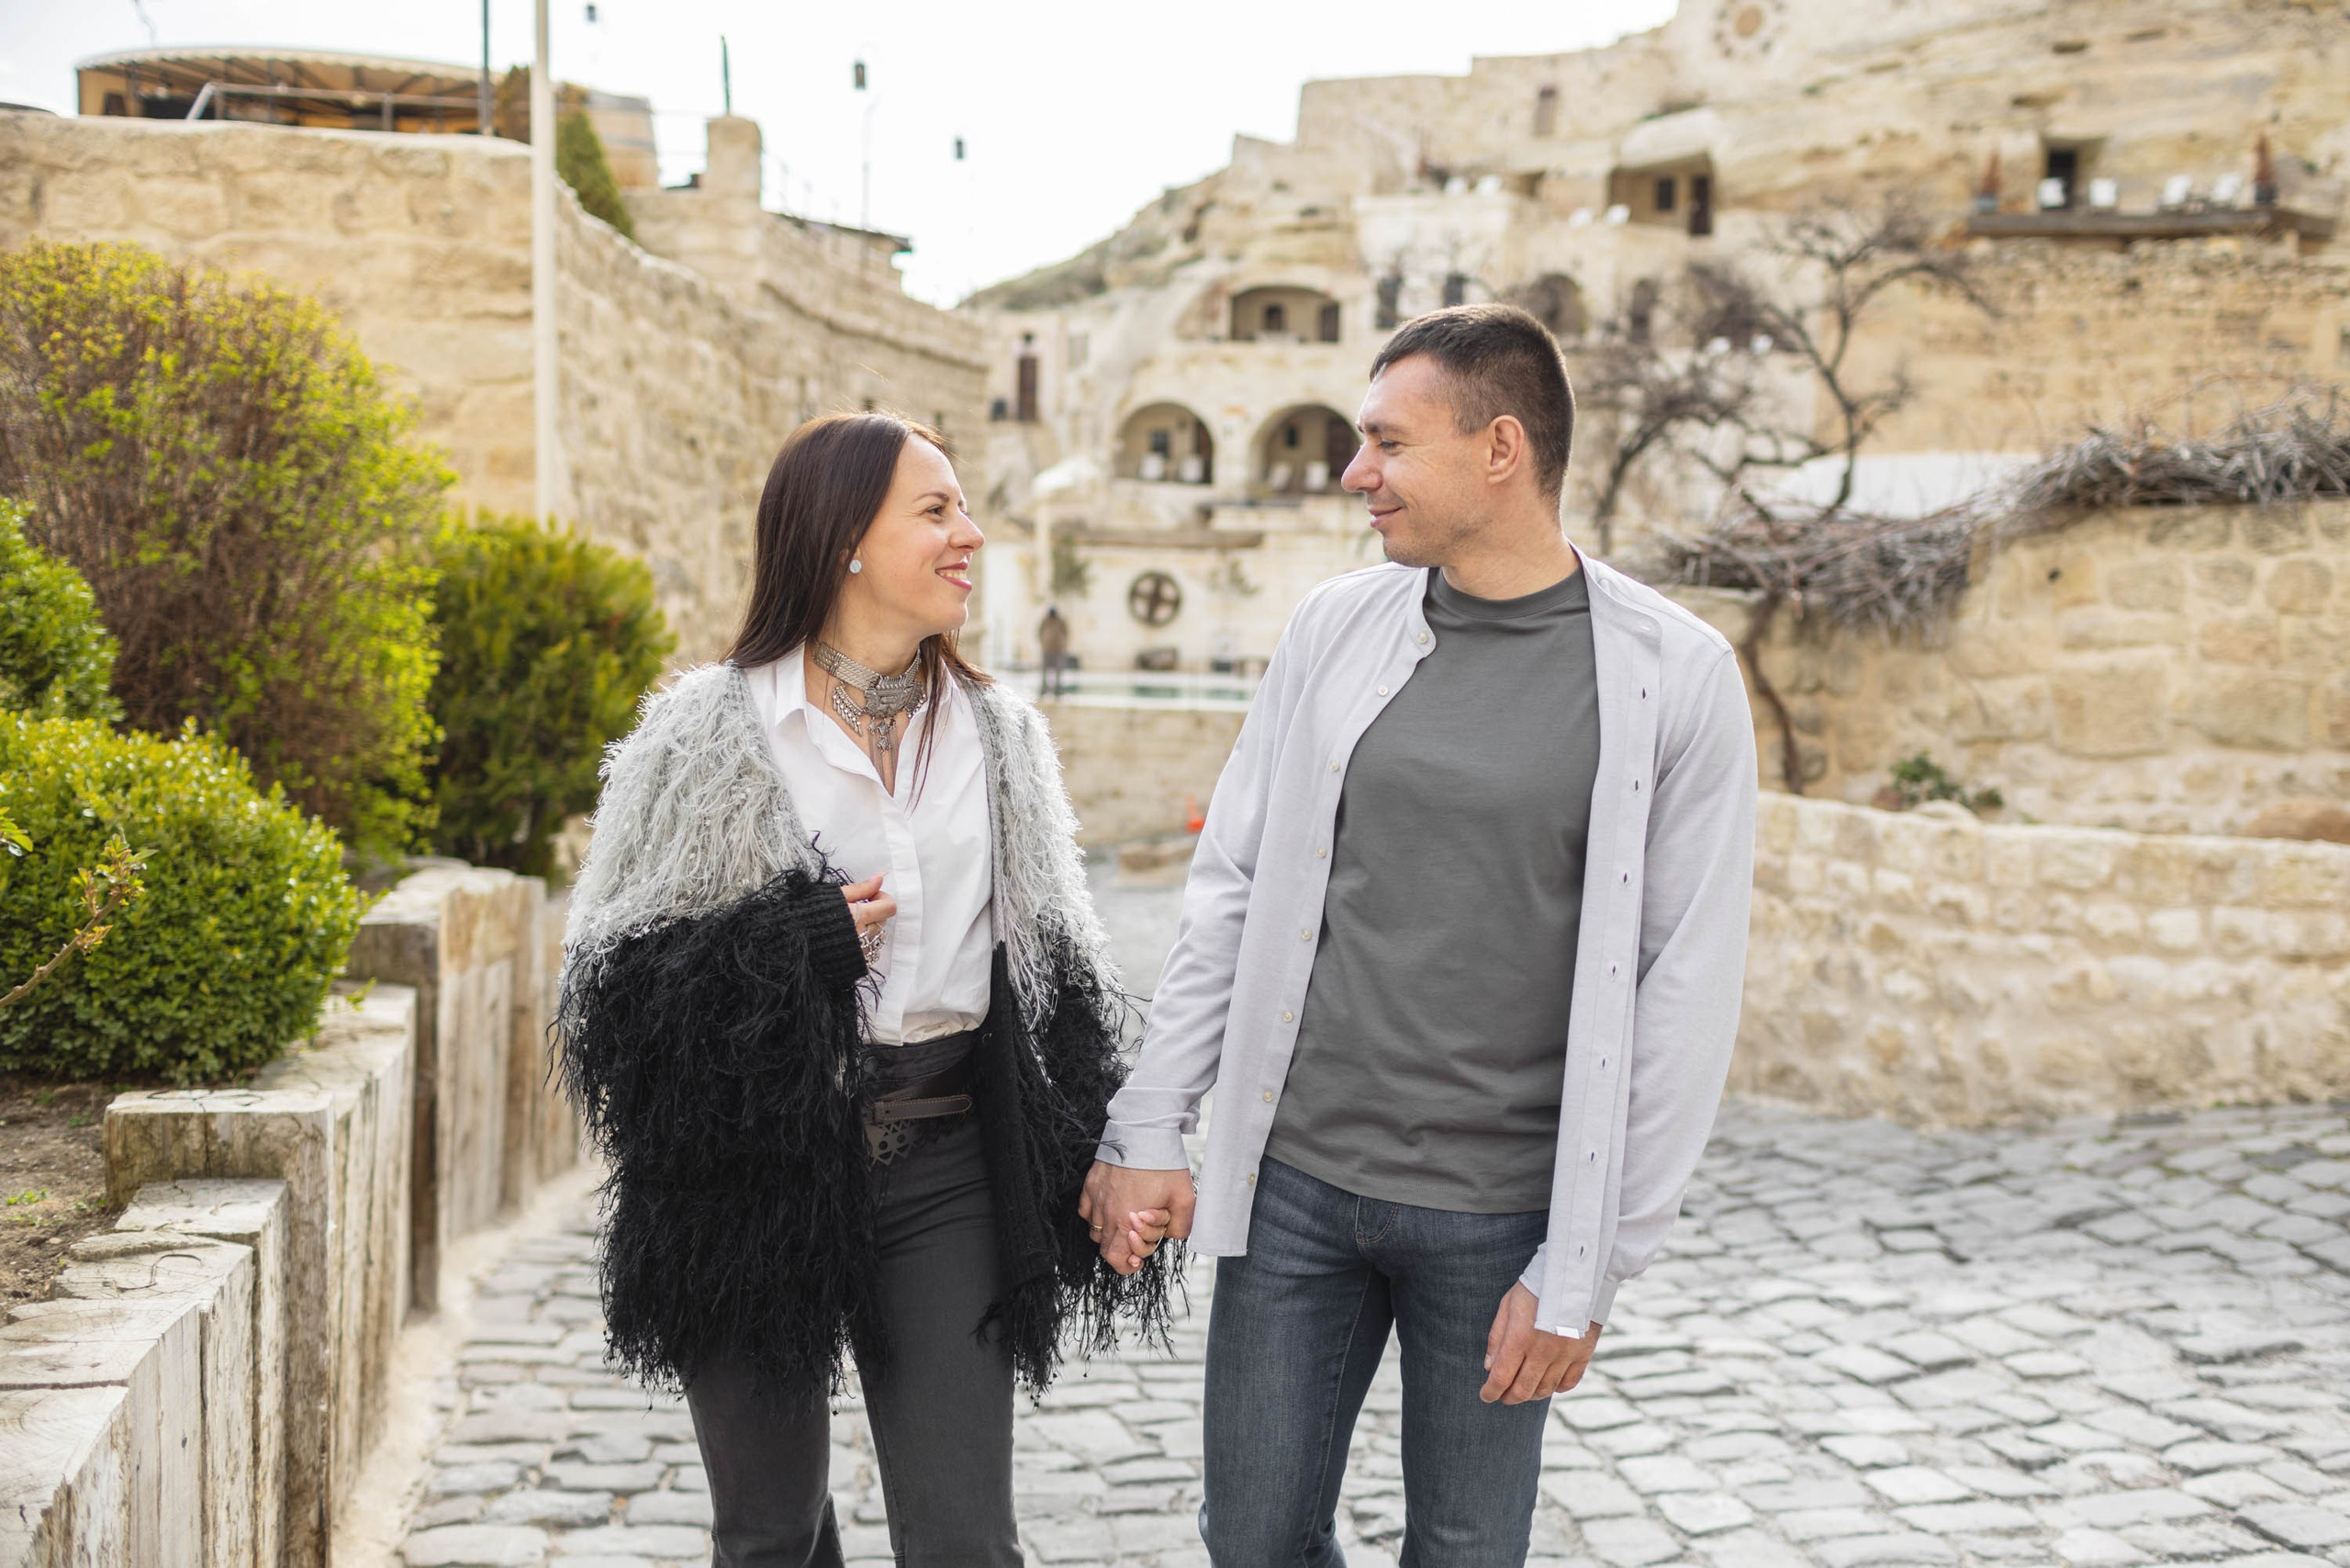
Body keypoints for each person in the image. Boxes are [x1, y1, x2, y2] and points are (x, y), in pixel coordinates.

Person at [1080, 304, 1758, 1565]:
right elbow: (1231, 881)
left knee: (1463, 1552)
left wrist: (1587, 1270)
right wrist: (1149, 1120)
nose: (1355, 475)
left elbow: (1684, 988)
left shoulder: (1677, 675)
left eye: (1387, 443)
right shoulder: (1336, 630)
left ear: (1500, 449)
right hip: (1297, 1193)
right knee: (1256, 1541)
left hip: (1502, 1218)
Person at [557, 410, 1174, 1568]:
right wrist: (793, 943)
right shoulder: (704, 731)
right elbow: (607, 990)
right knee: (770, 1533)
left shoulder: (1001, 735)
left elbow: (1057, 973)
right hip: (749, 1166)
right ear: (844, 537)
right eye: (935, 511)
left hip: (944, 1157)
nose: (970, 536)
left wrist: (1116, 1153)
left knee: (964, 1543)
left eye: (964, 509)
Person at [1037, 603, 1072, 698]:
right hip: (1047, 649)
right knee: (1045, 671)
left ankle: (1058, 689)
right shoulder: (1045, 621)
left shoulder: (1061, 621)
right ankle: (1044, 689)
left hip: (1058, 650)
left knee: (1058, 671)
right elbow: (1039, 632)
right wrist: (1043, 643)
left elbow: (1066, 633)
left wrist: (1063, 646)